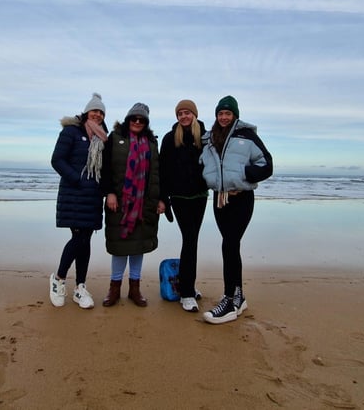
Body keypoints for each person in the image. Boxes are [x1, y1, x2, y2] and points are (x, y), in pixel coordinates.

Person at [200, 95, 273, 324]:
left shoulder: (247, 136)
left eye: (227, 113)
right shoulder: (210, 138)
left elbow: (266, 164)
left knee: (229, 244)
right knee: (231, 245)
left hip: (241, 199)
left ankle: (229, 301)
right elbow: (204, 163)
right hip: (219, 199)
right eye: (220, 113)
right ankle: (239, 296)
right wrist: (207, 178)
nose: (223, 117)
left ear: (235, 115)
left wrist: (243, 176)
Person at [100, 102, 164, 307]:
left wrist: (162, 199)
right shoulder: (115, 138)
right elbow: (105, 167)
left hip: (145, 203)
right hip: (119, 203)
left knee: (139, 246)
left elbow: (157, 174)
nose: (137, 122)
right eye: (134, 118)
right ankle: (114, 289)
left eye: (142, 120)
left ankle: (135, 290)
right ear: (128, 120)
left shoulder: (152, 142)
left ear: (146, 123)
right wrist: (109, 192)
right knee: (120, 247)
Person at [50, 93, 109, 309]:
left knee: (86, 240)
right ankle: (58, 279)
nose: (98, 115)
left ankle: (80, 287)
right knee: (78, 238)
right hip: (75, 194)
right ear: (86, 112)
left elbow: (106, 168)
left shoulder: (103, 137)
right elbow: (57, 160)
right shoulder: (71, 132)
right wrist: (78, 179)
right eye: (95, 111)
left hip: (93, 196)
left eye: (102, 112)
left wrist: (103, 188)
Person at [160, 100, 209, 312]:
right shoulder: (170, 138)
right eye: (180, 113)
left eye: (187, 112)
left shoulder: (206, 137)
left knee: (192, 240)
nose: (183, 116)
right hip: (179, 198)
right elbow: (162, 171)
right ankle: (187, 293)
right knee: (189, 239)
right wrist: (163, 199)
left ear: (194, 114)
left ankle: (188, 284)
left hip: (200, 196)